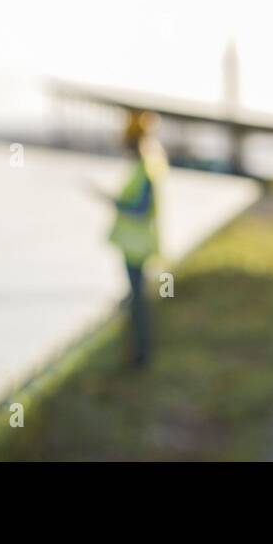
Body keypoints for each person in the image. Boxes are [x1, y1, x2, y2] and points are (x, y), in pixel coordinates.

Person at [105, 109, 168, 368]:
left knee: (138, 301)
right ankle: (137, 353)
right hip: (136, 243)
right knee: (136, 299)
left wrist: (114, 203)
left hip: (137, 245)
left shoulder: (145, 168)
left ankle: (141, 356)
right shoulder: (148, 164)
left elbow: (140, 209)